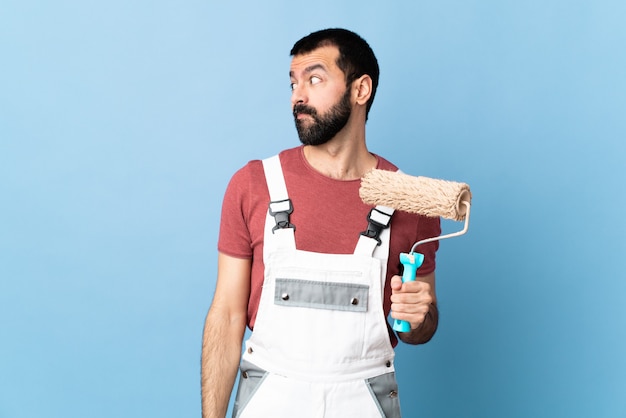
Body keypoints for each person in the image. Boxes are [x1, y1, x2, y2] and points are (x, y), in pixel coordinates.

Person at [201, 28, 441, 418]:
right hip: (269, 400)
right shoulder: (253, 184)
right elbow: (227, 315)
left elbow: (420, 328)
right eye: (294, 83)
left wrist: (418, 318)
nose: (299, 95)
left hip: (364, 402)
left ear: (360, 90)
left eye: (315, 79)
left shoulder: (409, 200)